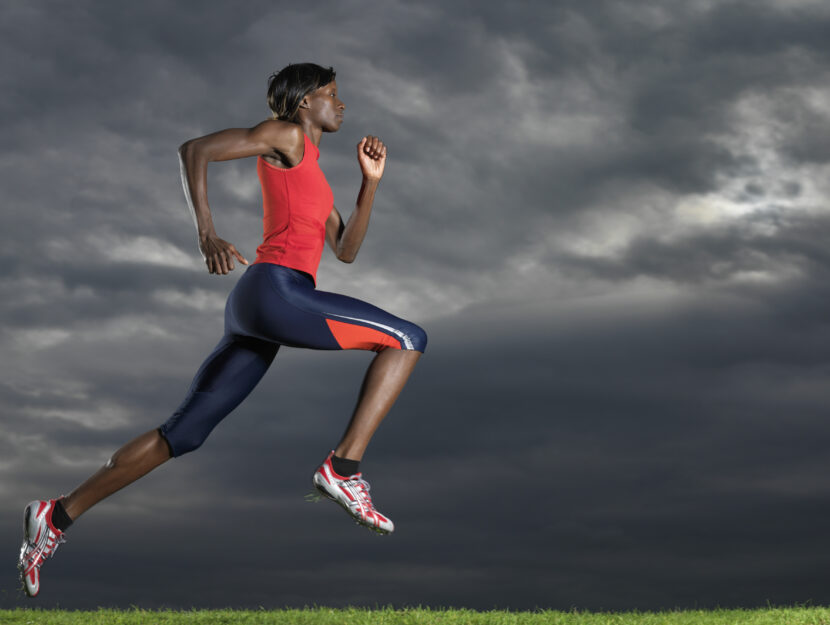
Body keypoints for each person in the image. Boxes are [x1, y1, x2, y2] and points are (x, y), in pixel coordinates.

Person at [18, 63, 427, 598]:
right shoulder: (283, 134)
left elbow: (345, 251)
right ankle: (342, 469)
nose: (341, 104)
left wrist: (369, 186)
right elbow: (195, 149)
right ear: (305, 102)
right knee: (406, 338)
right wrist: (206, 234)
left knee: (181, 435)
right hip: (276, 291)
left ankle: (55, 516)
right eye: (331, 94)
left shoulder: (317, 172)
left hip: (264, 309)